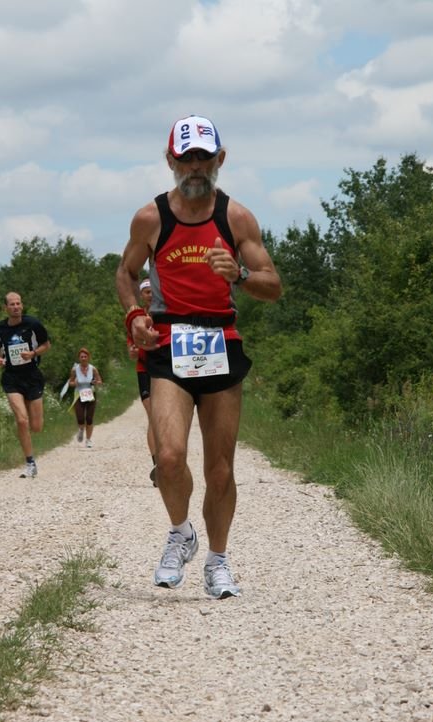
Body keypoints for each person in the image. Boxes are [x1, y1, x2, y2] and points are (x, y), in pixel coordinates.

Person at [116, 114, 282, 599]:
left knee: (220, 468)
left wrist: (239, 276)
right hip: (168, 344)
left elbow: (272, 286)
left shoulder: (236, 218)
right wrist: (133, 316)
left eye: (203, 158)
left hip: (220, 343)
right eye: (185, 158)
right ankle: (180, 531)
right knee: (168, 456)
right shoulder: (150, 218)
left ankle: (217, 560)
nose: (194, 167)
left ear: (219, 160)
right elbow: (125, 273)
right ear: (170, 160)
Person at [0, 292, 51, 478]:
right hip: (12, 378)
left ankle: (31, 440)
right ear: (5, 308)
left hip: (32, 376)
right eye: (12, 304)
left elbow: (46, 345)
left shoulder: (32, 324)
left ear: (21, 306)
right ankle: (30, 462)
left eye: (18, 303)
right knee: (21, 420)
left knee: (36, 426)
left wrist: (33, 354)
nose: (16, 307)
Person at [127, 277, 157, 486]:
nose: (151, 295)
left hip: (166, 369)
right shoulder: (135, 319)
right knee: (153, 416)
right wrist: (133, 350)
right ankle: (158, 465)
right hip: (145, 369)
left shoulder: (165, 314)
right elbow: (131, 353)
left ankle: (169, 459)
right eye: (147, 292)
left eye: (153, 291)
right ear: (141, 295)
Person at [69, 348, 103, 447]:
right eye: (81, 357)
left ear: (88, 357)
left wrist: (96, 382)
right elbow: (70, 383)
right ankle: (81, 429)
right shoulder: (75, 369)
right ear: (79, 358)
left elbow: (100, 381)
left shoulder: (93, 369)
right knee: (80, 418)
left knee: (89, 418)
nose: (83, 358)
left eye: (85, 356)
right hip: (79, 395)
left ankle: (88, 440)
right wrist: (74, 383)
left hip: (90, 394)